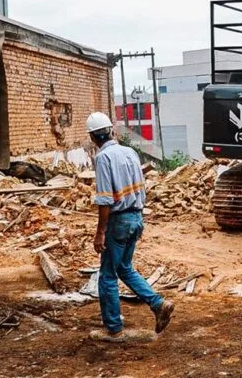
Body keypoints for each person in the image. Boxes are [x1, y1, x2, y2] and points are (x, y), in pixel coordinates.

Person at [86, 112, 174, 342]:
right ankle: (158, 304)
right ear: (112, 131)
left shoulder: (103, 158)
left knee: (107, 276)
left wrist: (100, 232)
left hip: (118, 221)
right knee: (124, 267)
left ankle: (113, 327)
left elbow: (105, 199)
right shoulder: (130, 152)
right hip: (136, 217)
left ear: (93, 138)